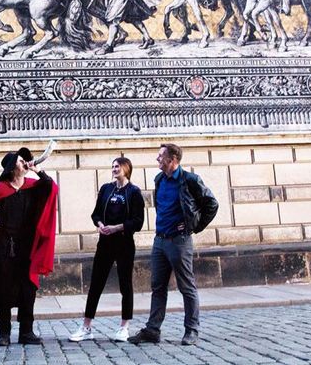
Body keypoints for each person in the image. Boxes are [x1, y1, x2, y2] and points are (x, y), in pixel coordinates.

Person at [0, 147, 59, 346]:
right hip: (4, 247)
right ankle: (4, 333)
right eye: (20, 160)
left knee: (28, 290)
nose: (24, 162)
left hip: (27, 247)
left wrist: (37, 170)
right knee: (4, 290)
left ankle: (27, 331)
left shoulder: (33, 186)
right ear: (11, 167)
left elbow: (51, 187)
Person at [128, 144, 219, 346]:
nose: (157, 159)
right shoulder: (159, 180)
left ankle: (191, 330)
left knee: (187, 287)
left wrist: (193, 226)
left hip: (180, 241)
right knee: (157, 287)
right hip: (160, 241)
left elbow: (212, 204)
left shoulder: (190, 180)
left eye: (160, 156)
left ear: (173, 159)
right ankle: (153, 330)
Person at [69, 157, 144, 343]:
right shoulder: (106, 189)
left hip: (124, 243)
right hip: (105, 243)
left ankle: (124, 327)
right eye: (112, 166)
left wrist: (117, 227)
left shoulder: (134, 192)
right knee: (96, 284)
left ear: (126, 168)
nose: (114, 169)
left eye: (117, 166)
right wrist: (101, 224)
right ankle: (86, 326)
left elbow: (138, 221)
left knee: (125, 285)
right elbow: (95, 214)